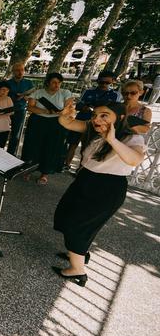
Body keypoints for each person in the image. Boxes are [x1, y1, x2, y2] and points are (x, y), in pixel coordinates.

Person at [53, 101, 145, 287]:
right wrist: (65, 114)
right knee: (66, 216)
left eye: (104, 115)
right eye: (96, 115)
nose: (97, 119)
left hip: (107, 187)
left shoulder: (131, 138)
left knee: (78, 225)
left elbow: (134, 160)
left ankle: (77, 270)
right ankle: (78, 252)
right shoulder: (93, 128)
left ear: (119, 118)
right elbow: (67, 123)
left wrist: (111, 139)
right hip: (86, 180)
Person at [21, 72, 73, 185]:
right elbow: (30, 107)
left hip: (57, 123)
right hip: (38, 121)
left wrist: (62, 111)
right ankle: (28, 169)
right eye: (54, 82)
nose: (57, 85)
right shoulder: (38, 92)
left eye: (59, 83)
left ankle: (45, 173)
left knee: (51, 147)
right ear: (48, 82)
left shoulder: (65, 92)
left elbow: (69, 107)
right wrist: (46, 111)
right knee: (33, 146)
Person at [64, 71, 122, 167]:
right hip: (82, 119)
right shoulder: (88, 91)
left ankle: (81, 168)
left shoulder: (115, 95)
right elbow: (78, 105)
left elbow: (115, 112)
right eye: (101, 82)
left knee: (88, 147)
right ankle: (66, 164)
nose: (104, 85)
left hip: (98, 124)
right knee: (72, 144)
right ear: (98, 80)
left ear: (113, 82)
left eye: (107, 83)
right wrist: (85, 108)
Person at [5, 63, 35, 155]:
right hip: (7, 109)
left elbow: (32, 96)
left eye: (22, 70)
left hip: (20, 110)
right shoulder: (8, 83)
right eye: (17, 70)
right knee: (3, 131)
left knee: (15, 134)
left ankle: (10, 154)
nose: (20, 72)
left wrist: (25, 96)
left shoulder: (28, 83)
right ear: (13, 72)